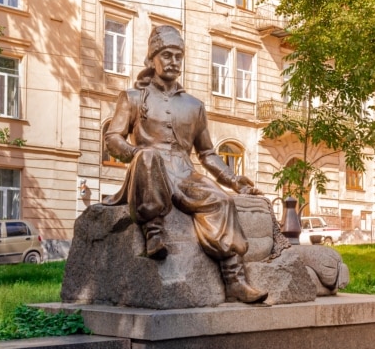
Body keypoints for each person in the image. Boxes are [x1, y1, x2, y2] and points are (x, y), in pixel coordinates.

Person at [103, 25, 267, 304]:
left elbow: (207, 154)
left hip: (184, 174)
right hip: (148, 171)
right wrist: (134, 153)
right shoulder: (132, 98)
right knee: (149, 156)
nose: (173, 61)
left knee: (221, 200)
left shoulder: (194, 106)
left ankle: (234, 279)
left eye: (178, 56)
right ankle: (153, 234)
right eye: (166, 55)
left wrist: (234, 180)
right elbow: (112, 137)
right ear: (152, 59)